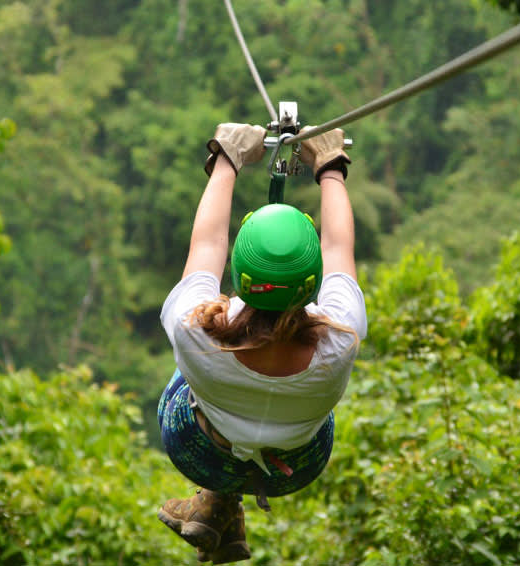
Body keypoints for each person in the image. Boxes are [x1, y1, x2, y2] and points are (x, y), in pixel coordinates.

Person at [156, 123, 367, 563]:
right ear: (312, 283)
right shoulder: (340, 338)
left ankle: (217, 496)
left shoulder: (195, 331)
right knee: (298, 411)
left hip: (199, 452)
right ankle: (220, 506)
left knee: (187, 364)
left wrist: (228, 158)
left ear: (241, 271)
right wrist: (330, 166)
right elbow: (338, 247)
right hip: (293, 468)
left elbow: (208, 243)